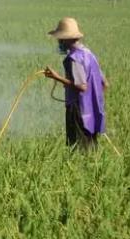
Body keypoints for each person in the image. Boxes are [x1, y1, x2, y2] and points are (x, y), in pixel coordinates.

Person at [44, 17, 108, 151]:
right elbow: (104, 83)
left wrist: (56, 77)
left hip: (78, 109)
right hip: (92, 109)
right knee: (90, 146)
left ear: (65, 39)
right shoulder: (88, 53)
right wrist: (94, 102)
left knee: (78, 149)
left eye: (60, 39)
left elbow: (81, 86)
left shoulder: (73, 59)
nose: (59, 42)